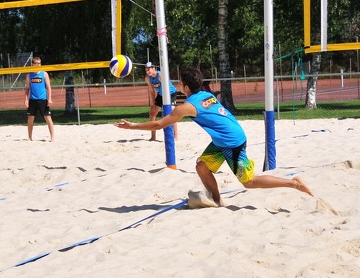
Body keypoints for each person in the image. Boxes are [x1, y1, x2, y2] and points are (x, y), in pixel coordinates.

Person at [114, 67, 312, 206]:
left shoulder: (188, 106)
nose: (179, 84)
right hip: (225, 138)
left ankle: (293, 183)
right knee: (202, 166)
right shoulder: (206, 95)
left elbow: (159, 123)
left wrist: (131, 127)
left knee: (248, 182)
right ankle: (217, 200)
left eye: (180, 82)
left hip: (231, 142)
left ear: (185, 86)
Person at [144, 61, 178, 141]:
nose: (147, 71)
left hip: (170, 94)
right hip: (161, 94)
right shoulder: (148, 78)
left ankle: (175, 136)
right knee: (152, 113)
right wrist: (153, 104)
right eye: (146, 69)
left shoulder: (160, 76)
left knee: (171, 113)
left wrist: (166, 104)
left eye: (149, 69)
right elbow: (152, 91)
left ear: (154, 68)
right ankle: (153, 136)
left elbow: (166, 88)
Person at [24, 56, 55, 141]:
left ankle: (52, 137)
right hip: (32, 99)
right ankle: (30, 138)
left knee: (48, 117)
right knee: (30, 118)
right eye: (36, 63)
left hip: (43, 99)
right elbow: (27, 88)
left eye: (39, 63)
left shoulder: (44, 74)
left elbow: (48, 87)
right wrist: (26, 99)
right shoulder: (29, 75)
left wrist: (49, 98)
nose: (38, 65)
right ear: (32, 64)